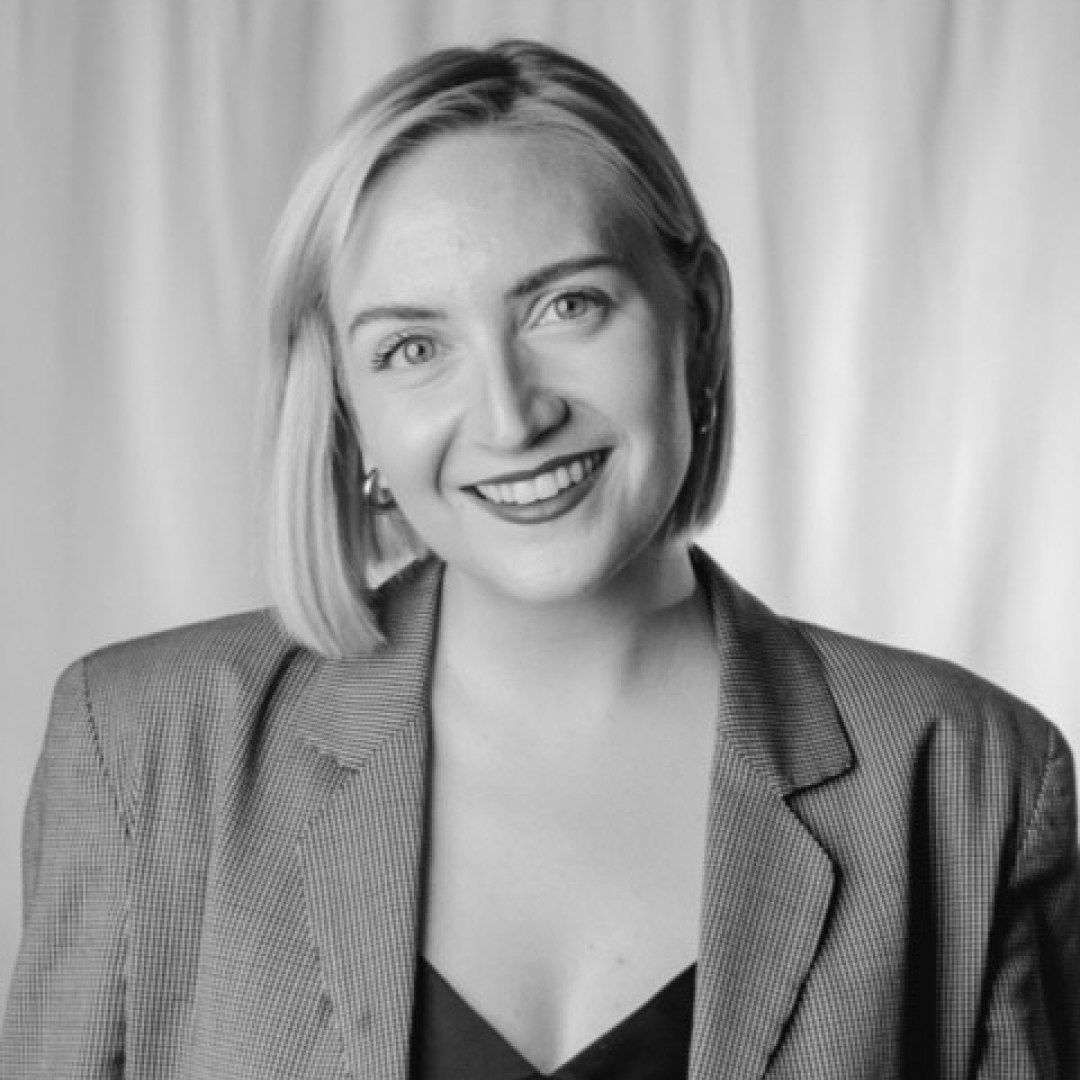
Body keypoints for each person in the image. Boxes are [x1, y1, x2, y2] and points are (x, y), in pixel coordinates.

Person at [2, 38, 1077, 1080]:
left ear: (694, 321)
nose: (512, 417)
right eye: (413, 348)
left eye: (569, 305)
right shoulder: (141, 748)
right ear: (347, 411)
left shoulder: (967, 777)